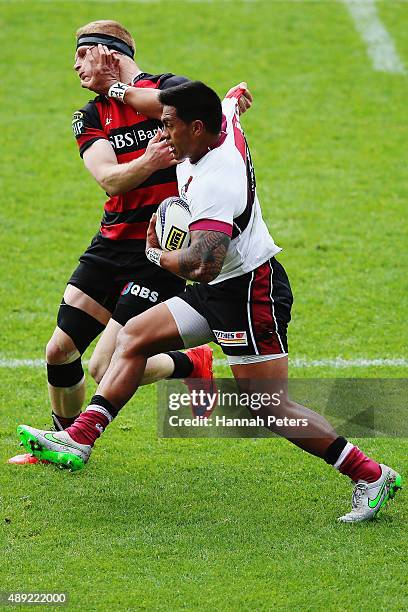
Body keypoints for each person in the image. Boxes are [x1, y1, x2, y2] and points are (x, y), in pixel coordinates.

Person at [17, 80, 401, 523]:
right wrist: (132, 90)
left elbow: (203, 265)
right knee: (135, 337)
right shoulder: (217, 117)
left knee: (268, 407)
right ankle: (81, 437)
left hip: (247, 292)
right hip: (218, 289)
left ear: (197, 128)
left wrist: (158, 254)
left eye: (169, 127)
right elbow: (209, 103)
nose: (161, 135)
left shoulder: (218, 182)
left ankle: (371, 475)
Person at [11, 20, 248, 465]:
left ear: (109, 53)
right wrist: (149, 159)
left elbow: (204, 113)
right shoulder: (90, 114)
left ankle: (188, 363)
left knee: (104, 366)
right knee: (59, 351)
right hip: (113, 242)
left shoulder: (165, 91)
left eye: (83, 54)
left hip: (160, 250)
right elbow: (108, 179)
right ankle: (57, 445)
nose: (76, 64)